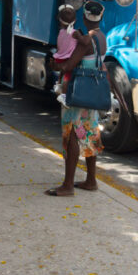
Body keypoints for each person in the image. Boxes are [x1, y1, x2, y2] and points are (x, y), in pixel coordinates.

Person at [47, 27, 104, 197]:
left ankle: (68, 185)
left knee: (71, 134)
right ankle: (91, 180)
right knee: (91, 133)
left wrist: (55, 65)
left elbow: (69, 65)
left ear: (85, 18)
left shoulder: (85, 40)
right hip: (91, 92)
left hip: (76, 93)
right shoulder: (101, 37)